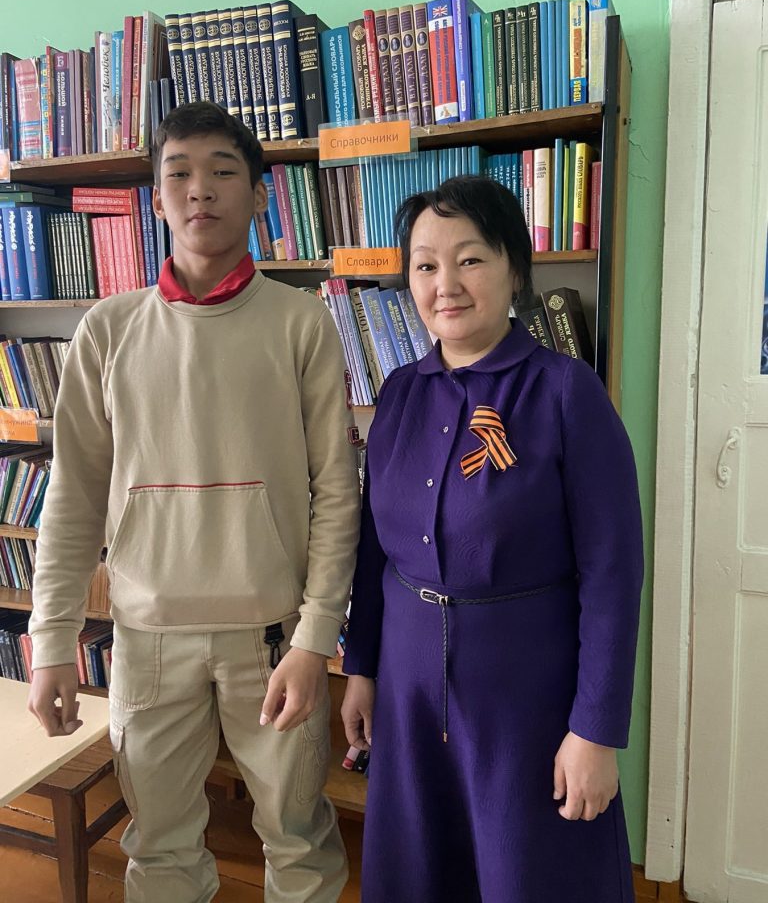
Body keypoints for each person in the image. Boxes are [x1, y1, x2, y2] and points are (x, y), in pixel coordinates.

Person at [27, 101, 360, 903]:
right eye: (178, 173)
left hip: (272, 640)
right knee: (160, 848)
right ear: (156, 199)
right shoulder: (107, 331)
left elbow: (337, 491)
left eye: (221, 172)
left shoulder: (301, 323)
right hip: (147, 641)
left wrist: (315, 638)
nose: (199, 189)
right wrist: (52, 640)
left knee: (298, 839)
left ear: (259, 195)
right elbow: (71, 497)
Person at [341, 175, 644, 903]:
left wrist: (596, 731)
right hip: (410, 687)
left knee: (527, 872)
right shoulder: (398, 392)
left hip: (527, 696)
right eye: (425, 265)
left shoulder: (566, 391)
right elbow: (374, 551)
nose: (445, 284)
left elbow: (613, 573)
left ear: (514, 268)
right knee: (420, 868)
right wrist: (362, 669)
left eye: (470, 259)